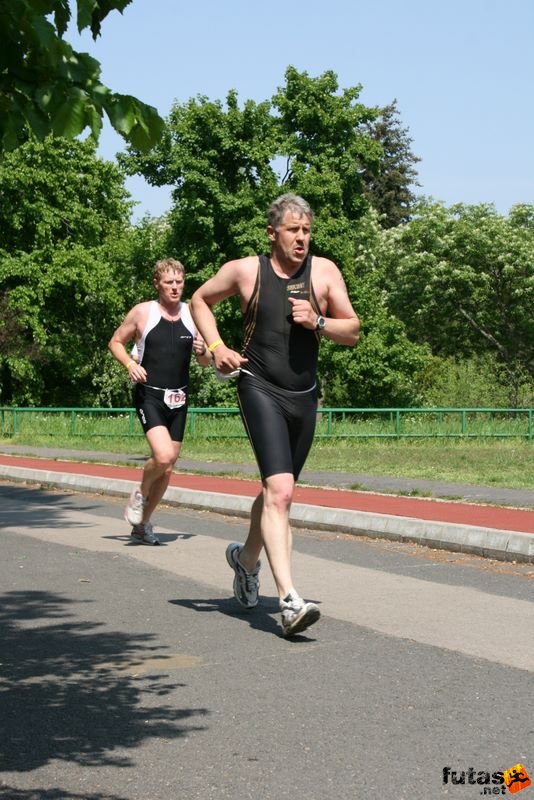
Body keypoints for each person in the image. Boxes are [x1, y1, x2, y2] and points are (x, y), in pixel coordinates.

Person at [190, 194, 360, 636]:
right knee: (280, 492)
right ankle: (289, 602)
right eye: (293, 230)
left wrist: (318, 322)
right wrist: (217, 347)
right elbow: (200, 300)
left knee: (275, 493)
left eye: (306, 231)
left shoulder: (324, 272)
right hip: (258, 385)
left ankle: (246, 560)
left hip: (304, 395)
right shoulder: (246, 270)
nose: (301, 238)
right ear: (273, 233)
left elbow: (353, 331)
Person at [109, 258, 211, 544]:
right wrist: (130, 364)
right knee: (163, 456)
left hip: (179, 398)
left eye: (179, 282)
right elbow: (115, 341)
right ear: (157, 284)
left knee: (168, 467)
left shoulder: (193, 314)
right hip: (150, 395)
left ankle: (143, 523)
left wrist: (203, 351)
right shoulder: (143, 312)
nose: (176, 287)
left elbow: (204, 362)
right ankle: (141, 491)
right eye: (169, 282)